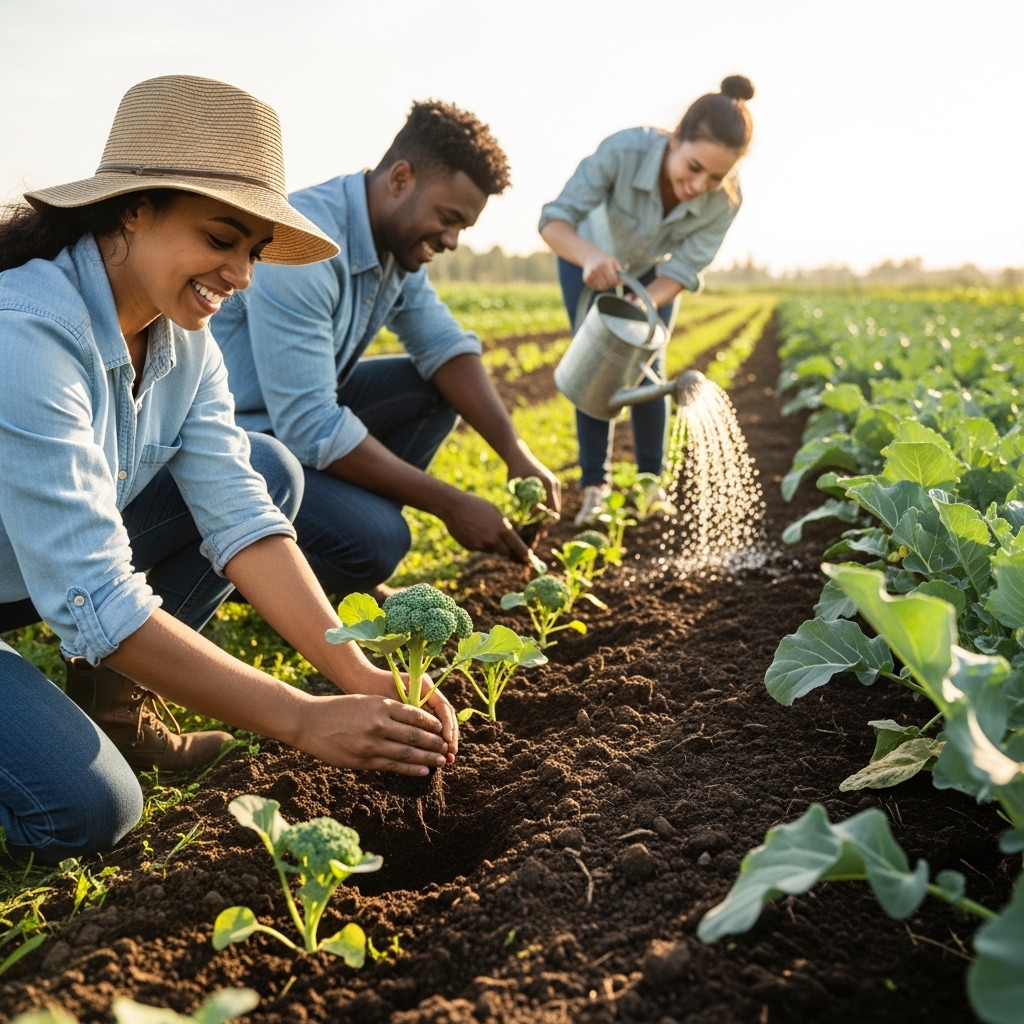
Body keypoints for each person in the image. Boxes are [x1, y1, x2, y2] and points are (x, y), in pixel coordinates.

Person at [0, 76, 459, 864]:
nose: (242, 274)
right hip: (44, 579)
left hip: (23, 576)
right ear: (130, 208)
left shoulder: (186, 346)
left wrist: (356, 672)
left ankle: (114, 710)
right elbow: (96, 594)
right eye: (221, 239)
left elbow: (241, 517)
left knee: (265, 470)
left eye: (252, 250)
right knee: (87, 813)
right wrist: (300, 717)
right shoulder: (28, 335)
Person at [211, 100, 561, 599]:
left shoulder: (393, 245)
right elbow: (310, 426)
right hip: (230, 441)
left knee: (436, 390)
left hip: (286, 425)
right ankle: (253, 576)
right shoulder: (310, 244)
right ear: (400, 179)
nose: (454, 240)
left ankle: (338, 530)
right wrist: (451, 504)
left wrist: (515, 452)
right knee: (380, 541)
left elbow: (443, 346)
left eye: (463, 226)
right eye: (448, 217)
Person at [539, 76, 756, 524]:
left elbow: (682, 269)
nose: (699, 184)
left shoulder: (726, 201)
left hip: (652, 276)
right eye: (693, 166)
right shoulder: (623, 152)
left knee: (646, 367)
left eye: (715, 177)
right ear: (676, 138)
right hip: (585, 255)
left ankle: (650, 485)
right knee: (594, 367)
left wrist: (642, 306)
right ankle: (595, 489)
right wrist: (591, 257)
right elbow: (554, 222)